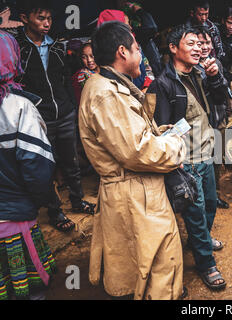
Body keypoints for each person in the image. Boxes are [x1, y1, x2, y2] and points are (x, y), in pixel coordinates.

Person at [78, 21, 186, 300]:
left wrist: (160, 134)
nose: (142, 55)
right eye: (138, 49)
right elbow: (139, 152)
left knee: (140, 263)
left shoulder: (109, 85)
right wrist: (175, 145)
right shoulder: (105, 94)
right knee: (159, 263)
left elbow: (131, 138)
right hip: (135, 191)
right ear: (123, 52)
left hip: (132, 189)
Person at [150, 24, 228, 291]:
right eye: (191, 43)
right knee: (195, 214)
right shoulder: (163, 84)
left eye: (200, 44)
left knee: (210, 206)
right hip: (188, 159)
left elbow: (222, 100)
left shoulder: (201, 74)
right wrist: (176, 163)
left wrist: (216, 77)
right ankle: (206, 264)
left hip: (207, 152)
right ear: (174, 48)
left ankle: (201, 240)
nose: (199, 48)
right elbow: (162, 127)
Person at [16, 0, 95, 232]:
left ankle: (78, 200)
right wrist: (34, 108)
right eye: (41, 18)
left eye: (49, 19)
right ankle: (55, 211)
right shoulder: (18, 47)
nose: (47, 23)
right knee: (48, 166)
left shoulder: (57, 46)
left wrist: (70, 106)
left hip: (65, 113)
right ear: (24, 18)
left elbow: (65, 79)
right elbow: (18, 84)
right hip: (40, 118)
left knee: (71, 161)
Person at [0, 30, 57, 300]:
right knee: (28, 290)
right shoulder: (18, 108)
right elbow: (37, 168)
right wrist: (42, 200)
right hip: (14, 218)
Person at [198, 27, 230, 210]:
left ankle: (215, 195)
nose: (204, 47)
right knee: (204, 161)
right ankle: (203, 197)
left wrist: (216, 76)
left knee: (217, 158)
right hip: (202, 123)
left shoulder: (216, 62)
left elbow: (222, 91)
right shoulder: (192, 66)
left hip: (218, 117)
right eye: (199, 43)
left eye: (207, 43)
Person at [97, 9, 154, 93]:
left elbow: (147, 70)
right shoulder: (107, 86)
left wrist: (147, 87)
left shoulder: (135, 46)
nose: (131, 28)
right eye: (127, 25)